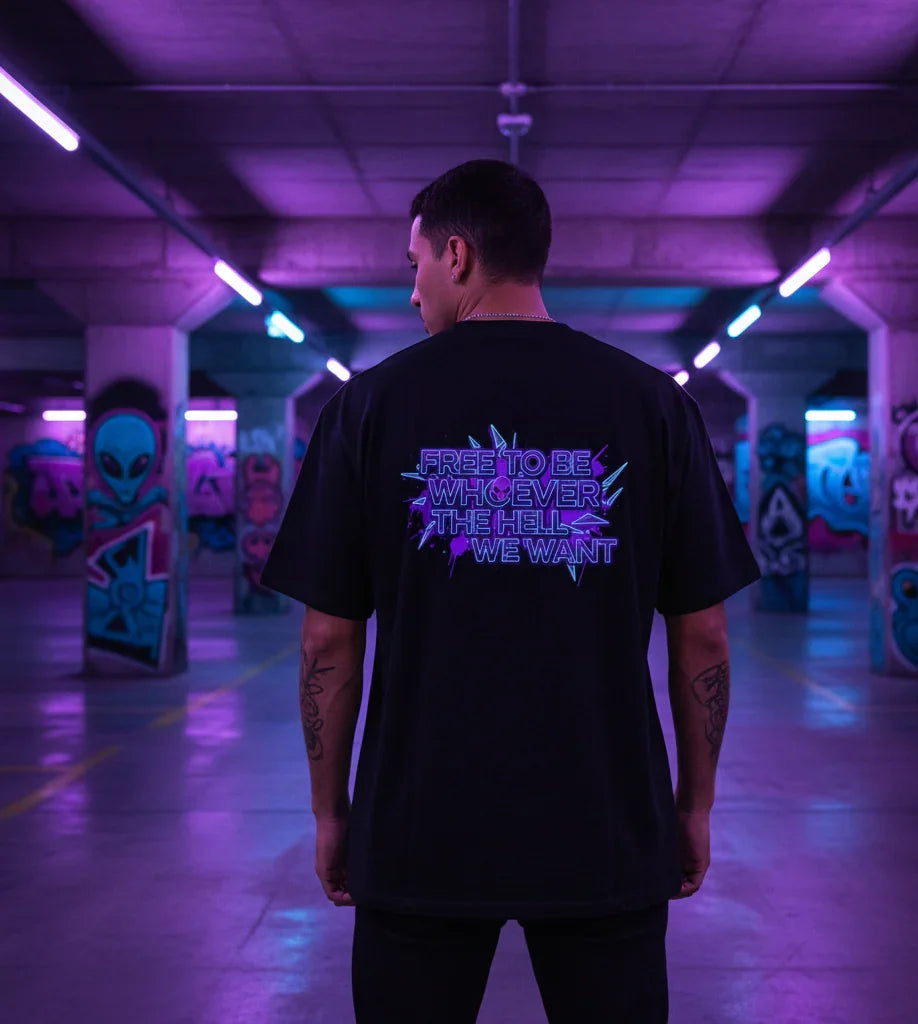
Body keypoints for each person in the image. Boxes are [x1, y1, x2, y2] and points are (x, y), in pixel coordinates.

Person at [260, 159, 760, 1024]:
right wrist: (694, 805)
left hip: (419, 828)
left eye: (414, 264)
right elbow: (704, 635)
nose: (413, 293)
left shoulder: (369, 409)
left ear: (457, 255)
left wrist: (332, 812)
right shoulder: (654, 407)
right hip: (606, 825)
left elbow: (326, 641)